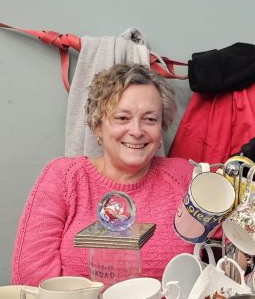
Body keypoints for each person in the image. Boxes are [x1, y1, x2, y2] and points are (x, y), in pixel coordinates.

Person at [12, 63, 193, 284]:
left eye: (150, 119)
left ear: (161, 127)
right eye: (122, 118)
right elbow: (31, 278)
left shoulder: (184, 176)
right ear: (98, 125)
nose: (137, 131)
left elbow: (227, 251)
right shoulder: (64, 177)